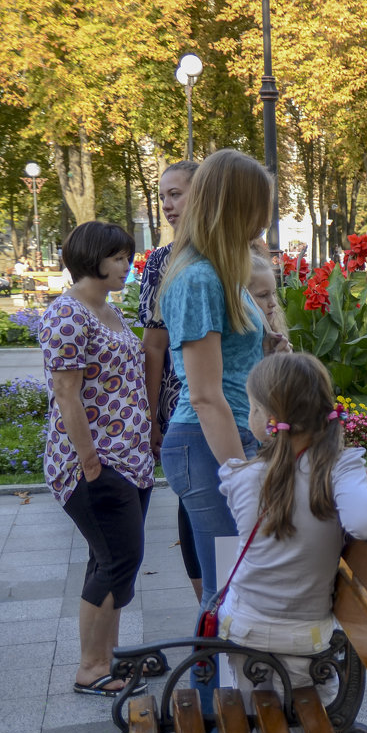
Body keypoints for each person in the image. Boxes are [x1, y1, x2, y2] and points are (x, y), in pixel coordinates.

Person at [217, 352, 367, 699]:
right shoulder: (339, 468)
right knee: (304, 731)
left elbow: (283, 494)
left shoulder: (241, 477)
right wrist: (353, 494)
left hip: (240, 628)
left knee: (256, 715)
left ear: (268, 419)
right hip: (303, 639)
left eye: (252, 407)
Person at [39, 221, 154, 696]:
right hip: (95, 463)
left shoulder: (106, 309)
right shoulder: (68, 314)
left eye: (127, 256)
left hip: (129, 460)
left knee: (110, 561)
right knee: (119, 560)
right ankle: (90, 668)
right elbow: (66, 394)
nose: (127, 265)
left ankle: (108, 657)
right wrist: (90, 464)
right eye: (119, 257)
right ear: (93, 259)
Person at [159, 149, 272, 616]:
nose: (263, 223)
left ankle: (239, 687)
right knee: (225, 590)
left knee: (238, 584)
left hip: (228, 437)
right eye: (258, 209)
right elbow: (206, 396)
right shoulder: (200, 279)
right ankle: (213, 691)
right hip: (208, 444)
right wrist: (239, 471)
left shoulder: (222, 272)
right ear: (236, 207)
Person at [139, 160, 202, 601]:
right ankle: (209, 611)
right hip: (186, 407)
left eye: (175, 194)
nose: (166, 205)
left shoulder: (240, 251)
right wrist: (151, 418)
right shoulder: (163, 261)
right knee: (193, 501)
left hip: (245, 404)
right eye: (163, 196)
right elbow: (154, 347)